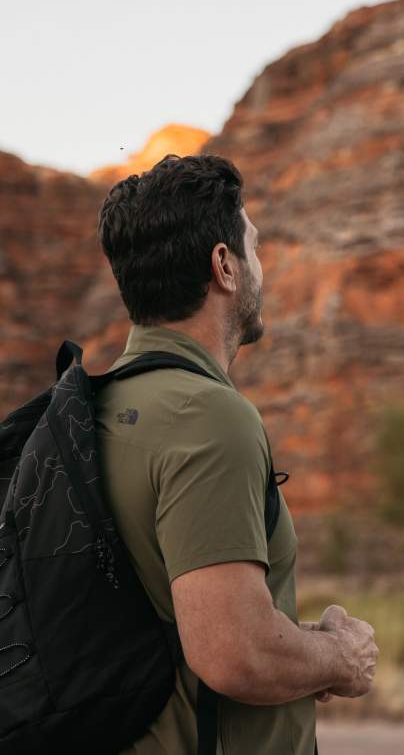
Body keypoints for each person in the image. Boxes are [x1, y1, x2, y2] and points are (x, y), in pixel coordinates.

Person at [95, 154, 379, 755]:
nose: (261, 269)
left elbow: (174, 616)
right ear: (224, 266)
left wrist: (290, 645)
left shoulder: (97, 406)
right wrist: (338, 656)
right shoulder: (206, 416)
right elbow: (234, 653)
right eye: (254, 247)